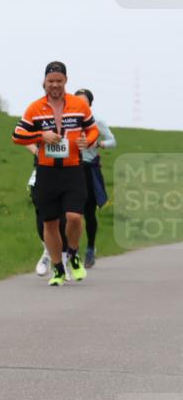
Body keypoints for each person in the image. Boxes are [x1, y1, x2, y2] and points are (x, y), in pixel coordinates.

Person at [12, 61, 99, 286]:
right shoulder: (35, 108)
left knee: (74, 217)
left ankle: (73, 252)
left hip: (72, 170)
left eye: (59, 81)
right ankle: (58, 268)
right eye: (51, 81)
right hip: (47, 171)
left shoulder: (79, 105)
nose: (54, 85)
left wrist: (86, 141)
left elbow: (93, 129)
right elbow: (17, 135)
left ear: (66, 81)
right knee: (49, 223)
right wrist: (41, 136)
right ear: (44, 82)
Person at [73, 88, 116, 268]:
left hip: (89, 169)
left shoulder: (97, 122)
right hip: (70, 169)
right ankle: (70, 251)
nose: (80, 105)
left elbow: (113, 141)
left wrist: (98, 143)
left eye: (83, 102)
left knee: (88, 212)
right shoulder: (68, 121)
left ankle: (90, 247)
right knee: (71, 213)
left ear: (89, 104)